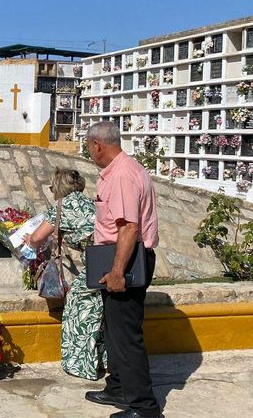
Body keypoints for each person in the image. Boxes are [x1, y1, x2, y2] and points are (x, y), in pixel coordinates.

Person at [83, 121, 161, 418]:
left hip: (126, 261)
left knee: (126, 337)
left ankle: (144, 408)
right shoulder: (124, 169)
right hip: (120, 257)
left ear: (98, 145)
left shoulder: (122, 175)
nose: (89, 151)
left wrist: (117, 272)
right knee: (115, 331)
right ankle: (117, 387)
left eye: (88, 146)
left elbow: (128, 227)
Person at [25, 167, 105, 381]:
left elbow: (37, 238)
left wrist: (28, 240)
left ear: (59, 188)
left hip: (97, 264)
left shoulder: (60, 207)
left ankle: (80, 365)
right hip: (109, 259)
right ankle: (102, 360)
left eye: (52, 188)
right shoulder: (91, 203)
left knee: (78, 308)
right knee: (100, 312)